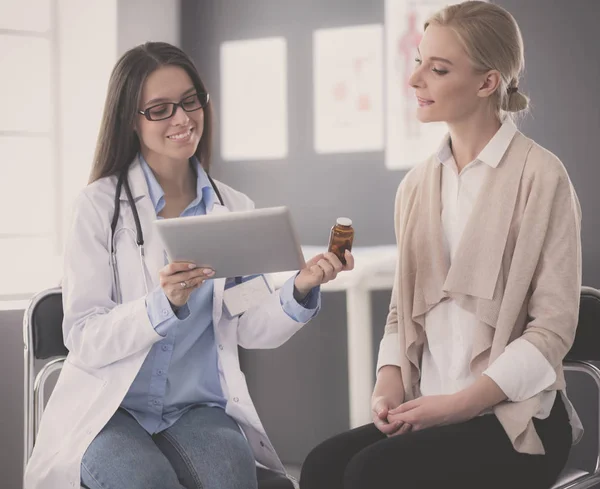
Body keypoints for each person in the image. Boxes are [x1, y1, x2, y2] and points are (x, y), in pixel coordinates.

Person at [24, 42, 354, 489]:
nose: (182, 119)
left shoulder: (232, 208)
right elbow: (84, 336)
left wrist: (300, 287)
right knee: (147, 481)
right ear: (131, 121)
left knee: (232, 478)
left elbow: (250, 325)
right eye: (159, 109)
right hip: (109, 409)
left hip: (194, 409)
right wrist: (160, 306)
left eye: (190, 101)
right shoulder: (98, 208)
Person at [300, 2, 582, 489]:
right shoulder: (415, 187)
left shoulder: (542, 177)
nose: (415, 81)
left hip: (515, 421)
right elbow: (400, 313)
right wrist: (388, 380)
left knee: (373, 472)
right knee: (322, 467)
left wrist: (458, 406)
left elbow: (552, 331)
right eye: (418, 62)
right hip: (430, 406)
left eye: (438, 68)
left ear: (487, 82)